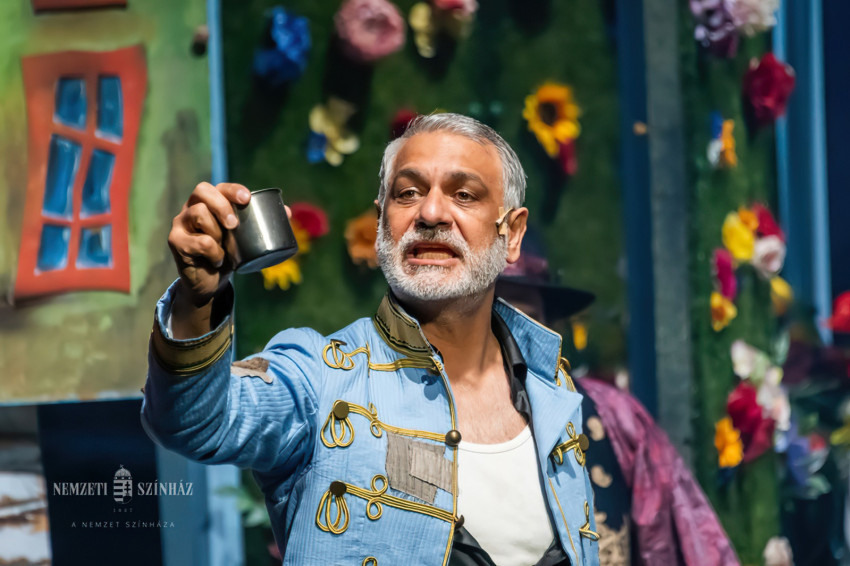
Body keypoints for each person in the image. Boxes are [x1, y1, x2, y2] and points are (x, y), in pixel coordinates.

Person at [142, 114, 600, 566]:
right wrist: (196, 300)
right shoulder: (320, 378)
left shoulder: (550, 390)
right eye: (408, 193)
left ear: (512, 233)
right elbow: (192, 423)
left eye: (464, 194)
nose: (431, 213)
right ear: (381, 224)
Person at [496, 237, 740, 566]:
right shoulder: (437, 420)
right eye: (496, 317)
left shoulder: (616, 415)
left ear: (550, 327)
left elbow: (682, 536)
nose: (511, 335)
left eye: (527, 318)